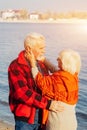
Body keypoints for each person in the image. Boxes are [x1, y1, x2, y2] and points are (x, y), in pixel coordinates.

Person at [8, 32, 64, 130]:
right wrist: (49, 104)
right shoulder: (16, 66)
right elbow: (22, 93)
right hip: (25, 119)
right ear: (29, 48)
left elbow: (48, 84)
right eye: (41, 48)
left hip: (43, 116)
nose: (44, 51)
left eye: (44, 47)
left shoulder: (41, 64)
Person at [25, 48, 81, 130]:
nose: (57, 59)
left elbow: (40, 82)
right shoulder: (72, 77)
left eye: (60, 59)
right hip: (71, 123)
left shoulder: (58, 80)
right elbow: (55, 70)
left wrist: (32, 63)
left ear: (65, 63)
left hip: (58, 123)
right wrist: (44, 60)